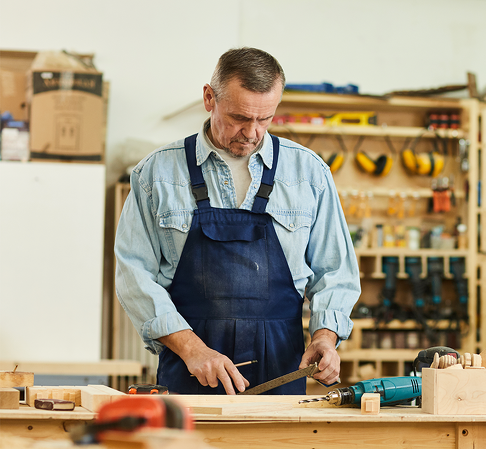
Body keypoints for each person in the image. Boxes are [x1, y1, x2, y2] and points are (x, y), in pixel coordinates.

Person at [115, 47, 360, 395]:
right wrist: (192, 349)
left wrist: (325, 337)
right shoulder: (156, 174)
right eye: (239, 118)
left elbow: (336, 272)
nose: (252, 132)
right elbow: (133, 275)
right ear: (209, 98)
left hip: (281, 369)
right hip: (190, 369)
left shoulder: (308, 174)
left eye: (265, 119)